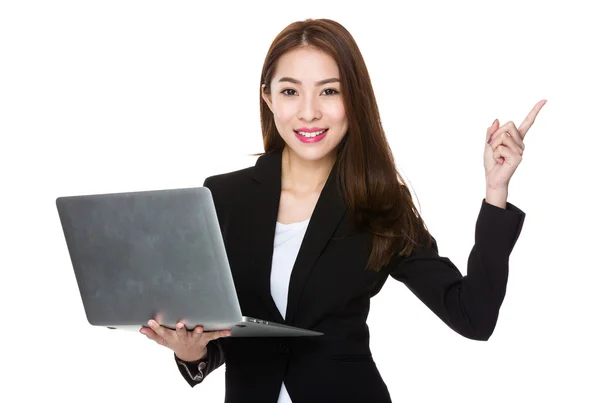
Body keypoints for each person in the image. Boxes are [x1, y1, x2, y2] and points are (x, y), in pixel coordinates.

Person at [139, 18, 546, 403]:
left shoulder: (380, 202)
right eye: (290, 91)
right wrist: (191, 353)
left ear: (354, 98)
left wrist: (496, 189)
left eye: (329, 91)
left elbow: (473, 316)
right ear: (268, 97)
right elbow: (224, 333)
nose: (309, 111)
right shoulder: (223, 196)